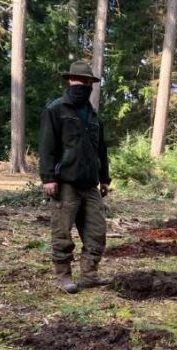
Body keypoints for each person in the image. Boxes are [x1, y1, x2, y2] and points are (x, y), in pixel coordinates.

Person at [39, 61, 112, 294]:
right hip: (65, 183)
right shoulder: (55, 110)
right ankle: (64, 277)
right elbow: (47, 147)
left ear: (91, 84)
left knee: (96, 231)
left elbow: (101, 150)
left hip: (90, 183)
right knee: (62, 232)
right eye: (76, 80)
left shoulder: (93, 116)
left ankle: (89, 275)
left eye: (85, 81)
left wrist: (105, 178)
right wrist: (48, 177)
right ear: (69, 81)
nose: (80, 84)